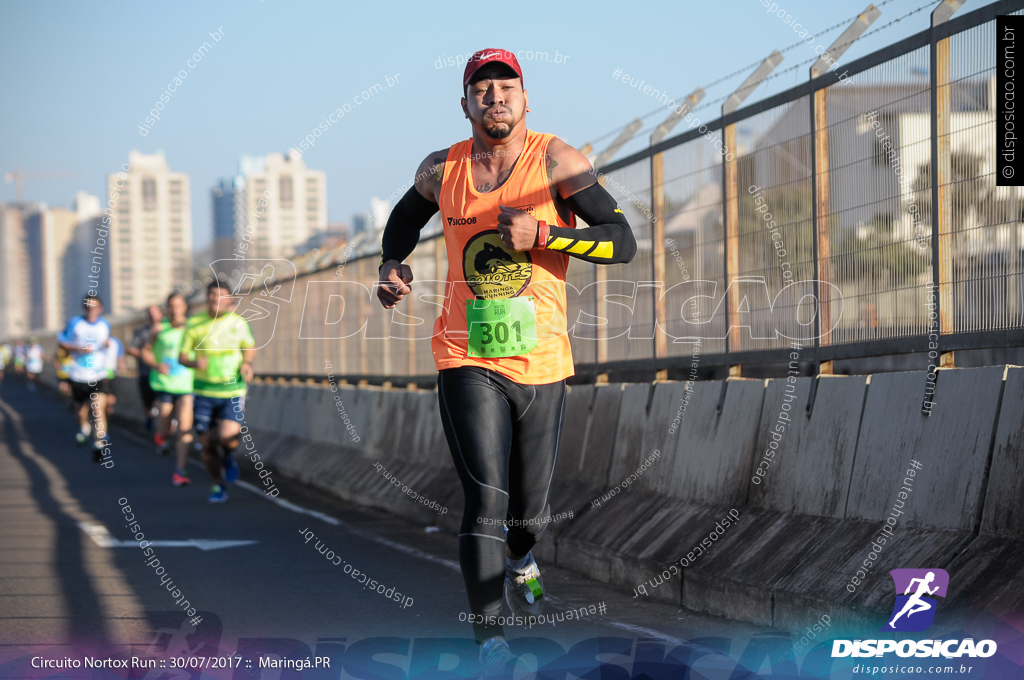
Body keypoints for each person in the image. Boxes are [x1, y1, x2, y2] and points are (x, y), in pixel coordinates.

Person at [376, 48, 636, 669]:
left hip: (542, 360)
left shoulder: (557, 161)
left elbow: (622, 243)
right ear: (465, 103)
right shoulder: (443, 169)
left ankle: (523, 558)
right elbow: (400, 225)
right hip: (466, 355)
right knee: (486, 499)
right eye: (482, 88)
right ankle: (489, 642)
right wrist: (391, 267)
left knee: (528, 515)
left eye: (507, 87)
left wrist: (545, 235)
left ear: (526, 99)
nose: (496, 97)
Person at [178, 280, 256, 503]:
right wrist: (193, 363)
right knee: (207, 444)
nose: (216, 299)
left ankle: (230, 456)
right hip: (203, 392)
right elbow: (181, 357)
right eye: (213, 295)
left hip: (232, 390)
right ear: (207, 298)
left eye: (222, 296)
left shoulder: (239, 323)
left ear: (229, 299)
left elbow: (249, 347)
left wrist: (247, 364)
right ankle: (218, 484)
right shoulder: (194, 324)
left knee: (227, 437)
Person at [143, 291, 195, 486]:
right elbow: (145, 352)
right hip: (164, 385)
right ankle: (163, 433)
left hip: (186, 385)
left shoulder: (193, 328)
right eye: (171, 306)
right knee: (165, 432)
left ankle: (180, 470)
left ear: (185, 307)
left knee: (184, 427)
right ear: (167, 309)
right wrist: (156, 366)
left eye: (178, 306)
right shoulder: (159, 329)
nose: (175, 310)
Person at [57, 294, 113, 461]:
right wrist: (79, 348)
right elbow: (62, 342)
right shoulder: (75, 323)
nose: (91, 310)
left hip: (98, 374)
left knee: (98, 409)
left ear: (100, 309)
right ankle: (84, 428)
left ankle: (99, 444)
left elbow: (107, 344)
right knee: (80, 413)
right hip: (78, 375)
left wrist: (107, 346)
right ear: (84, 308)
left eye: (94, 307)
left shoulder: (105, 325)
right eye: (88, 306)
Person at [127, 305, 164, 431]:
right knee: (148, 403)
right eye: (150, 314)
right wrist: (145, 355)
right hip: (146, 373)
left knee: (162, 402)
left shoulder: (168, 329)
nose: (153, 316)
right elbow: (130, 348)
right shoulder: (141, 332)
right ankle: (149, 418)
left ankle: (162, 428)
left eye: (156, 313)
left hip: (163, 374)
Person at [103, 334, 126, 418]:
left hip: (110, 373)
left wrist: (122, 368)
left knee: (110, 398)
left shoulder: (116, 341)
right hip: (96, 374)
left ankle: (106, 417)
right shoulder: (93, 339)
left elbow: (120, 357)